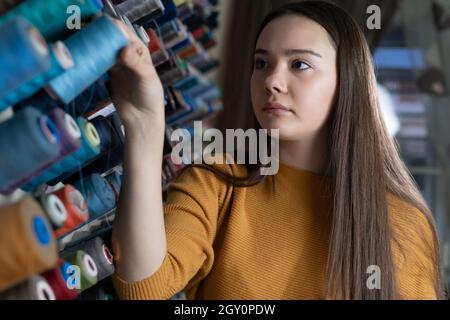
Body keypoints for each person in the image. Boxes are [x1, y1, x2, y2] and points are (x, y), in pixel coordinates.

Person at [108, 1, 444, 299]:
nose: (272, 81)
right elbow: (143, 287)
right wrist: (144, 124)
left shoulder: (404, 223)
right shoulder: (220, 178)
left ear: (348, 81)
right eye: (262, 63)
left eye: (299, 64)